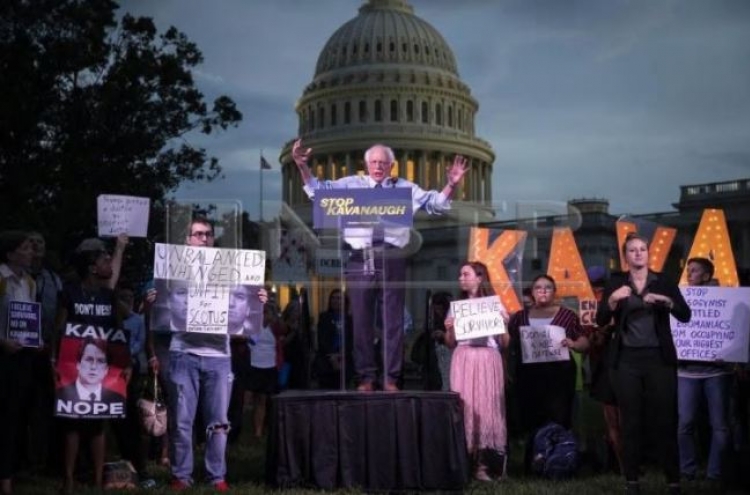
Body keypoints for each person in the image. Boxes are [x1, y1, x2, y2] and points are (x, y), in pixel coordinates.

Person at [291, 138, 469, 391]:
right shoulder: (350, 184)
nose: (378, 166)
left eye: (383, 163)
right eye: (374, 162)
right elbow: (317, 192)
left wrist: (451, 184)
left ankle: (390, 378)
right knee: (361, 319)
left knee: (392, 320)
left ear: (392, 165)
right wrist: (302, 166)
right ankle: (365, 377)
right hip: (359, 257)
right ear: (366, 164)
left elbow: (435, 205)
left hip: (392, 257)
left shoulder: (403, 187)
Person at [149, 217, 267, 491]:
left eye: (208, 234)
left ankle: (217, 476)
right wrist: (150, 304)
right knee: (182, 420)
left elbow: (244, 314)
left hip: (219, 356)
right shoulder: (173, 270)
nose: (203, 239)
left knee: (219, 422)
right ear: (187, 240)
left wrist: (256, 300)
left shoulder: (230, 270)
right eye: (198, 234)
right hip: (183, 353)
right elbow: (156, 312)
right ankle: (182, 475)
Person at [596, 232, 691, 495]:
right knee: (630, 421)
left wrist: (667, 301)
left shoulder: (663, 282)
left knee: (664, 419)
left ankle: (673, 480)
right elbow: (601, 320)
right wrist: (613, 300)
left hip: (658, 359)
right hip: (626, 360)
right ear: (625, 257)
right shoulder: (616, 282)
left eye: (642, 250)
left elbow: (685, 315)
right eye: (632, 250)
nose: (638, 254)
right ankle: (632, 481)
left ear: (648, 254)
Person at [52, 240, 127, 493]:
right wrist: (53, 360)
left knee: (98, 423)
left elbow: (118, 329)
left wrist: (124, 363)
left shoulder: (109, 295)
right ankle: (69, 478)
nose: (110, 264)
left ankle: (97, 479)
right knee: (72, 422)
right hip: (72, 364)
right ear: (93, 268)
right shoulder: (70, 292)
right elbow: (58, 329)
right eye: (106, 261)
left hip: (103, 364)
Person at [508, 274, 589, 469]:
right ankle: (534, 462)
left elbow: (584, 342)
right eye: (538, 288)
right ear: (533, 292)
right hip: (529, 376)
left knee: (560, 416)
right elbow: (509, 343)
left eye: (547, 287)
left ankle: (560, 460)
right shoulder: (519, 317)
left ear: (554, 292)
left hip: (559, 375)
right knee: (531, 418)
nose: (543, 291)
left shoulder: (568, 316)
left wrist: (573, 343)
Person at [444, 261, 510, 481]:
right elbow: (450, 342)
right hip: (463, 358)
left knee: (485, 408)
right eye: (460, 274)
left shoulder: (494, 305)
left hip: (487, 359)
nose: (461, 278)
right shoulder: (457, 307)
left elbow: (505, 342)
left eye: (465, 274)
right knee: (465, 408)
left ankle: (483, 465)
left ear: (479, 277)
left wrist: (505, 324)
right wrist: (449, 328)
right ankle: (465, 463)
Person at [677, 257, 731, 486]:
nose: (690, 274)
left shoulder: (724, 299)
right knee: (685, 424)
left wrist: (728, 352)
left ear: (707, 276)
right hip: (686, 373)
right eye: (688, 270)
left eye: (695, 271)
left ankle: (714, 473)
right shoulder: (680, 298)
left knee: (719, 425)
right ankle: (688, 470)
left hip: (716, 372)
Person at [0, 231, 36, 495]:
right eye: (25, 248)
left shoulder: (30, 283)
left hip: (22, 357)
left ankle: (8, 476)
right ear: (10, 253)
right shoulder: (1, 278)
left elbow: (31, 318)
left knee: (15, 416)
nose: (31, 252)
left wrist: (37, 340)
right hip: (2, 355)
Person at [245, 302, 285, 439]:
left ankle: (258, 431)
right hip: (253, 364)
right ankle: (241, 427)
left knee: (262, 400)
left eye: (268, 313)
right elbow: (250, 342)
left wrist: (276, 317)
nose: (266, 315)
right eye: (264, 312)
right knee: (248, 399)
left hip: (269, 366)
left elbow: (284, 330)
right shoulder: (253, 327)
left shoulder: (275, 328)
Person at [56, 338, 125, 403]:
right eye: (89, 359)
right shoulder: (58, 395)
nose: (93, 366)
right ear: (78, 364)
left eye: (100, 361)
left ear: (106, 369)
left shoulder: (117, 399)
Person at [314, 289, 353, 389]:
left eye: (338, 298)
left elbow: (351, 340)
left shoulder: (349, 319)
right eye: (333, 298)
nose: (335, 301)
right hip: (327, 361)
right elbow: (322, 339)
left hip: (344, 360)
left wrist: (341, 355)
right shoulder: (324, 317)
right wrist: (332, 357)